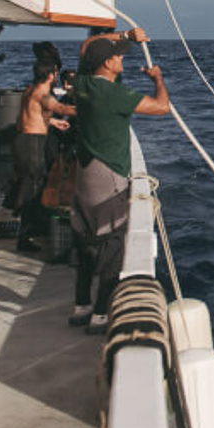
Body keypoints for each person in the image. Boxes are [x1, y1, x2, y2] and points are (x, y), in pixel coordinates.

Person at [69, 31, 168, 333]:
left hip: (83, 176)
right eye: (118, 55)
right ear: (107, 63)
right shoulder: (113, 96)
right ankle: (100, 314)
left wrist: (126, 35)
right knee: (112, 247)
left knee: (86, 243)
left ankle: (81, 306)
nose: (122, 57)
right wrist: (158, 79)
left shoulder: (82, 84)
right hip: (108, 178)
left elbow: (87, 47)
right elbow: (161, 106)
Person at [10, 59, 76, 253]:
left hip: (23, 140)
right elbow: (64, 109)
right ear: (50, 75)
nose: (56, 76)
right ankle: (25, 237)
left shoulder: (30, 90)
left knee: (27, 186)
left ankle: (29, 231)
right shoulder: (43, 94)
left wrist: (53, 122)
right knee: (32, 189)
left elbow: (33, 114)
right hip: (32, 144)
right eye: (55, 73)